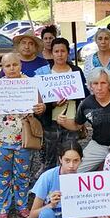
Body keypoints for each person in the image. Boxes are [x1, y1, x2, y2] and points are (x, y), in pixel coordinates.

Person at [0, 52, 45, 218]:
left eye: (14, 65)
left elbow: (40, 106)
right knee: (2, 175)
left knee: (23, 174)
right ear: (2, 67)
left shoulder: (30, 84)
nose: (11, 68)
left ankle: (22, 205)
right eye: (7, 65)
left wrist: (41, 108)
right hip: (0, 138)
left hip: (23, 138)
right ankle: (2, 208)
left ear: (20, 65)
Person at [58, 67, 110, 173]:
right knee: (75, 170)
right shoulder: (86, 103)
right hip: (98, 145)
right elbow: (77, 125)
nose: (99, 87)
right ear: (90, 86)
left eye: (103, 83)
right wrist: (63, 122)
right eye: (95, 83)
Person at [40, 38, 88, 170]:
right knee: (50, 157)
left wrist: (82, 120)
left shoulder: (76, 71)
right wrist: (53, 103)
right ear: (52, 53)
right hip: (51, 122)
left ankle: (69, 185)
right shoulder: (45, 71)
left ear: (68, 53)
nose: (60, 54)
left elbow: (85, 94)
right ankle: (50, 187)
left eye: (63, 51)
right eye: (56, 51)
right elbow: (39, 97)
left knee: (70, 156)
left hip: (72, 120)